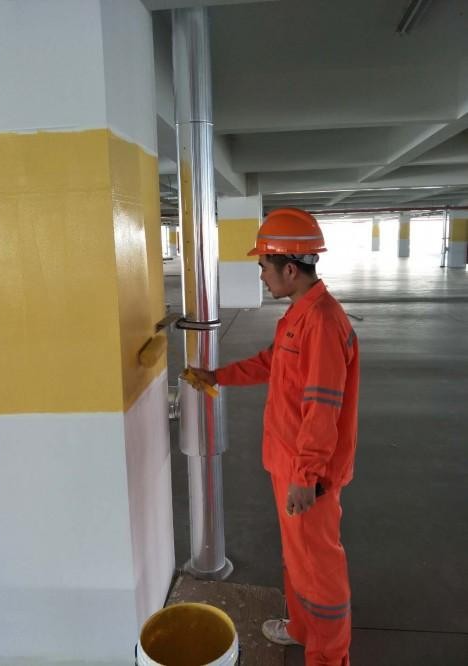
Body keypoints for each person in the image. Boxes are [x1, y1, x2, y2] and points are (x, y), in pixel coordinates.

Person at [192, 208, 359, 666]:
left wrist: (306, 476)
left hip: (309, 473)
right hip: (289, 461)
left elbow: (323, 406)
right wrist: (216, 376)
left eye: (264, 266)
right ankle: (302, 629)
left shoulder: (322, 322)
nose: (261, 276)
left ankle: (329, 657)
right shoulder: (299, 316)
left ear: (290, 269)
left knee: (320, 568)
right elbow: (271, 363)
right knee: (298, 557)